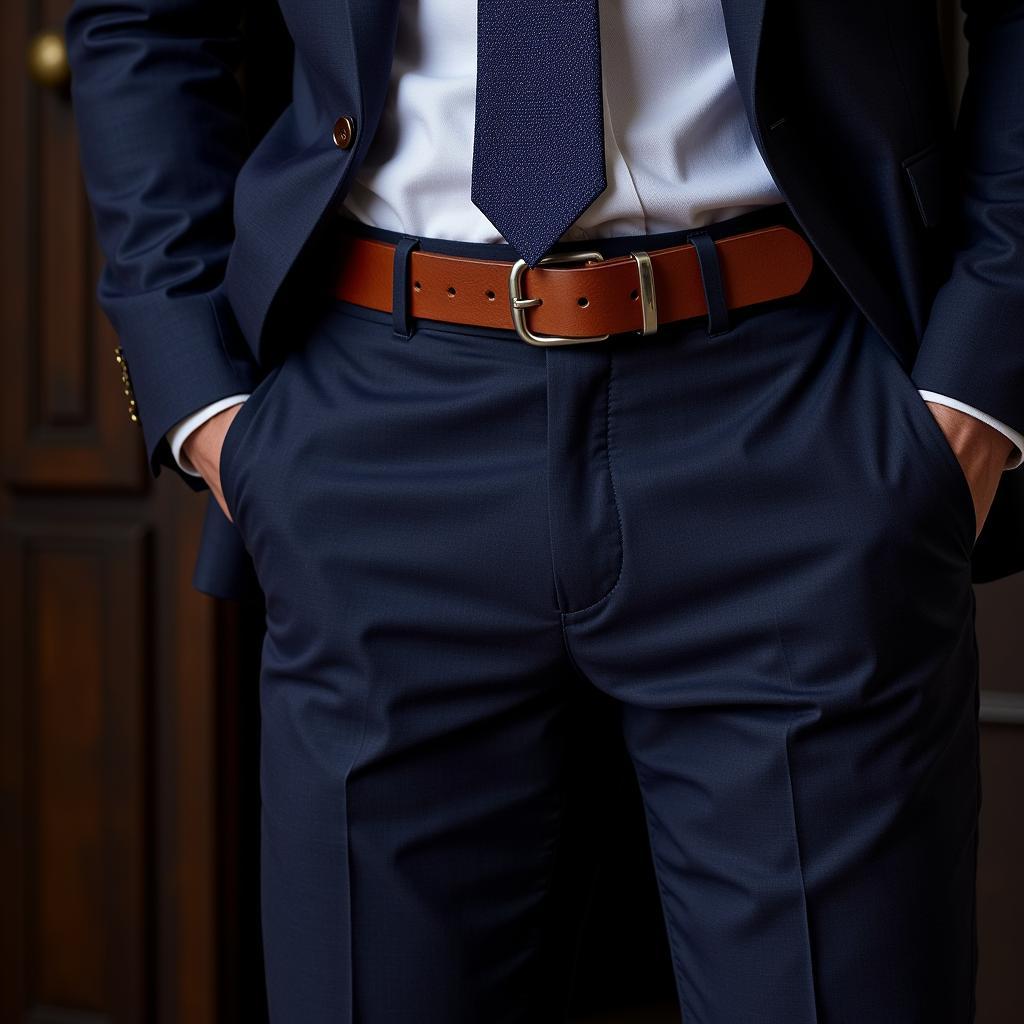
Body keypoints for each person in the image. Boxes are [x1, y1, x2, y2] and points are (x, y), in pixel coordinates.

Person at [64, 0, 1024, 1020]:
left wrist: (974, 385)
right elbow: (146, 18)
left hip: (792, 421)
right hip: (375, 438)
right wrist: (199, 397)